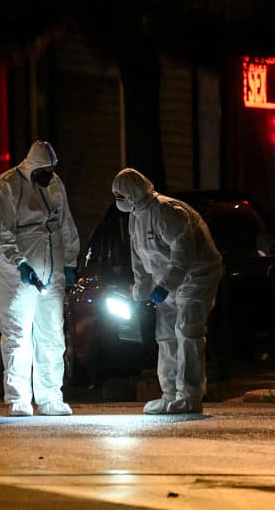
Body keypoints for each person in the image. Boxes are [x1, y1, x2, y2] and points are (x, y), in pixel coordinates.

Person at [112, 168, 222, 414]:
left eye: (120, 194)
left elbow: (183, 254)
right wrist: (141, 290)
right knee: (166, 335)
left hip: (196, 276)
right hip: (167, 281)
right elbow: (138, 259)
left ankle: (190, 395)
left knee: (187, 330)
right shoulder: (135, 216)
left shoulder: (168, 212)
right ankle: (170, 393)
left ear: (132, 192)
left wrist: (164, 286)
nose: (117, 200)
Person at [0, 140, 80, 417]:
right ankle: (18, 398)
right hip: (16, 279)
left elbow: (65, 225)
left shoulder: (54, 184)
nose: (49, 175)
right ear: (32, 166)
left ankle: (50, 396)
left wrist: (70, 262)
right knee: (18, 336)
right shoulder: (6, 187)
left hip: (53, 271)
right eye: (45, 170)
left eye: (52, 170)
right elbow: (1, 235)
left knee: (51, 336)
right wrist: (20, 265)